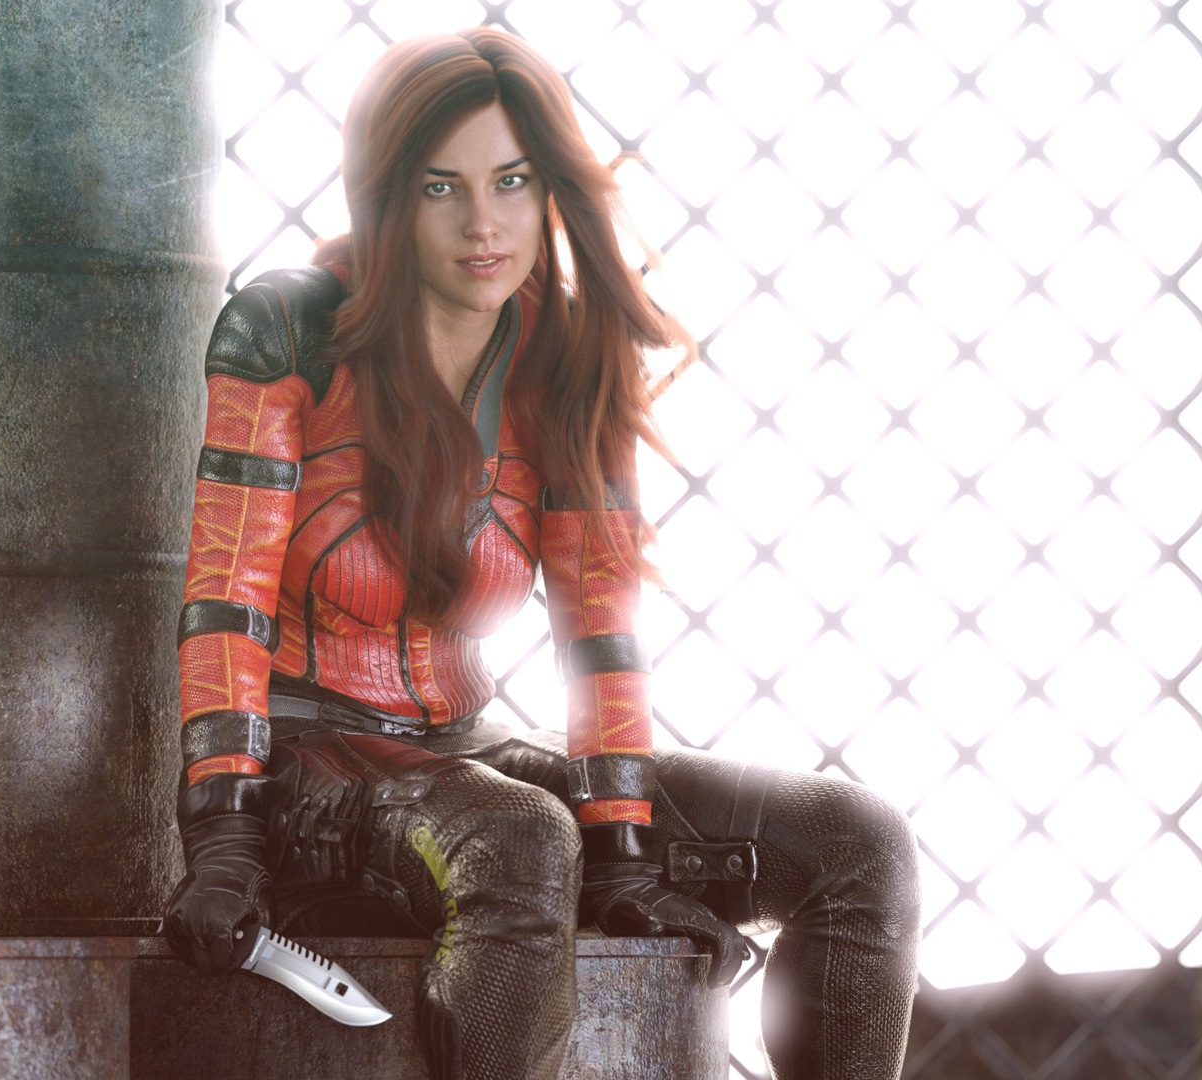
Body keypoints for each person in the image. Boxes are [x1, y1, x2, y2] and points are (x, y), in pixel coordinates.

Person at [163, 27, 920, 1080]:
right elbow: (226, 598)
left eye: (511, 181)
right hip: (294, 772)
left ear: (549, 188)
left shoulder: (567, 355)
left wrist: (624, 847)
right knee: (522, 837)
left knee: (854, 842)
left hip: (460, 754)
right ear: (387, 198)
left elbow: (599, 628)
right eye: (441, 187)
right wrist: (224, 830)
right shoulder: (286, 330)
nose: (483, 223)